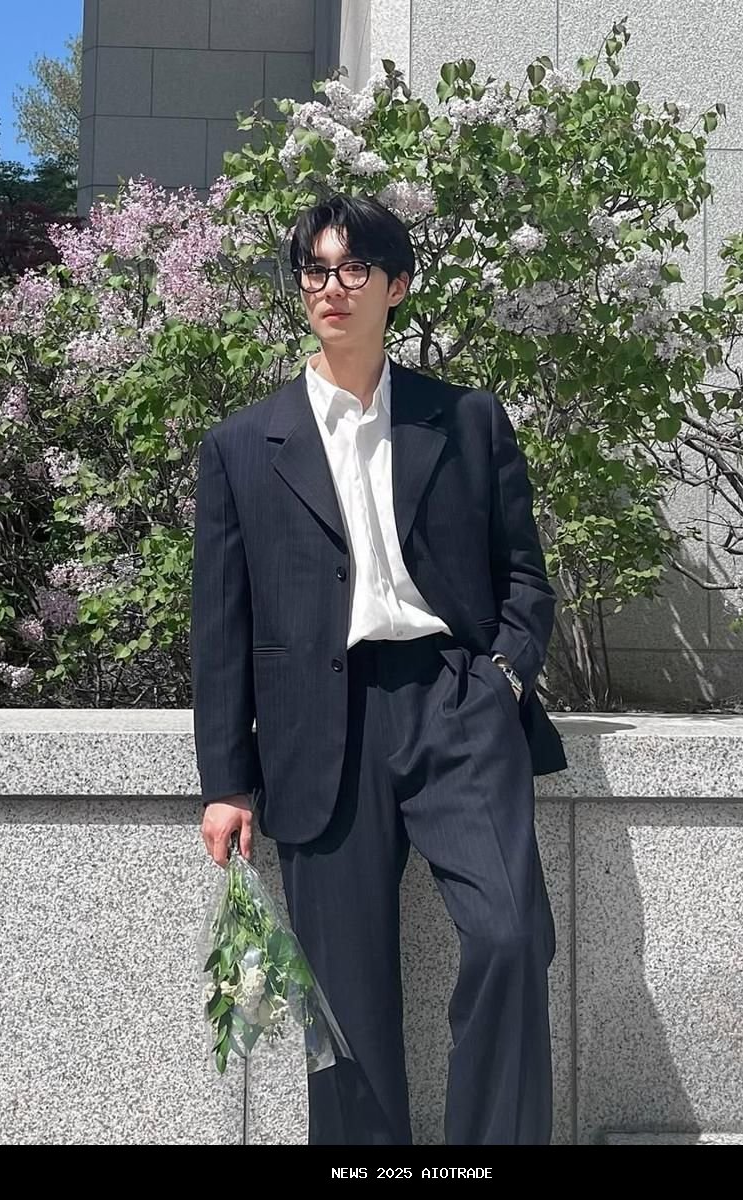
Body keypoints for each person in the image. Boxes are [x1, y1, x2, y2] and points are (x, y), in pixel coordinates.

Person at [190, 193, 568, 1145]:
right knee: (347, 1002)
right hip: (321, 725)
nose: (332, 287)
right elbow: (221, 626)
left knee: (511, 935)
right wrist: (226, 781)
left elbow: (525, 575)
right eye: (315, 270)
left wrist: (503, 678)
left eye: (354, 268)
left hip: (454, 702)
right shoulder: (242, 447)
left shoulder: (466, 419)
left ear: (396, 286)